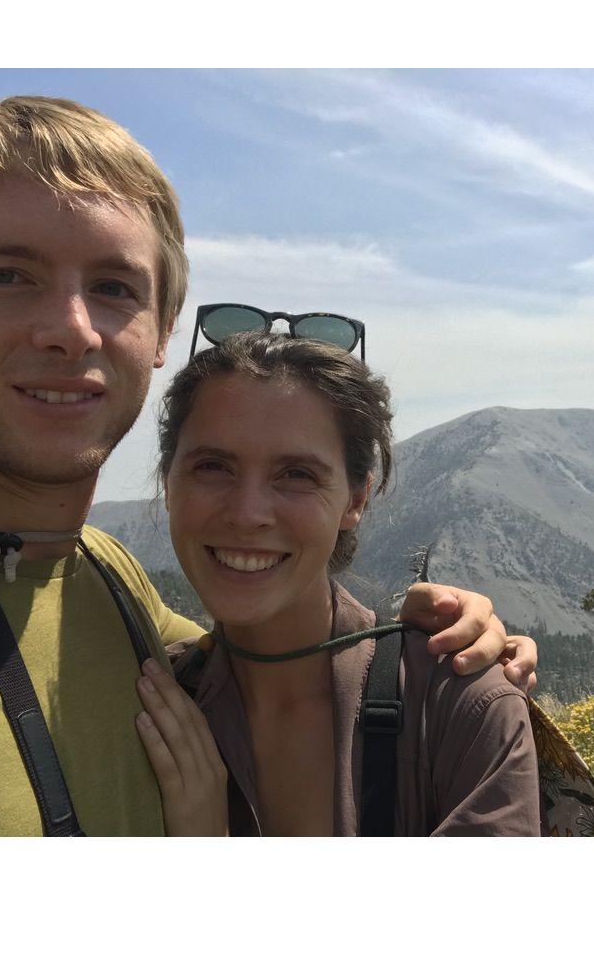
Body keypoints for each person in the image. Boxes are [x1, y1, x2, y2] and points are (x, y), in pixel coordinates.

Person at [0, 95, 538, 836]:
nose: (71, 329)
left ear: (159, 333)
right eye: (5, 274)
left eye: (115, 287)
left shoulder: (112, 590)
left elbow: (278, 641)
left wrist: (449, 648)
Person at [135, 330, 543, 835]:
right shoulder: (153, 704)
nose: (247, 514)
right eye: (212, 466)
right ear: (168, 481)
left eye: (297, 474)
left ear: (355, 500)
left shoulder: (458, 707)